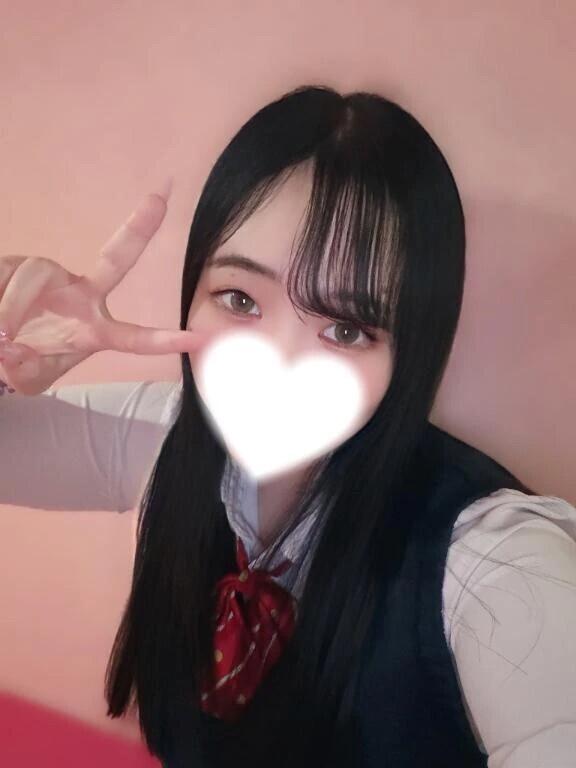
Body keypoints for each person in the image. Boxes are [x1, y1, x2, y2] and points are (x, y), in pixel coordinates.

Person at [0, 85, 575, 768]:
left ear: (410, 352)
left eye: (346, 328)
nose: (276, 367)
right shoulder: (165, 437)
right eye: (240, 299)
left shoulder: (493, 562)